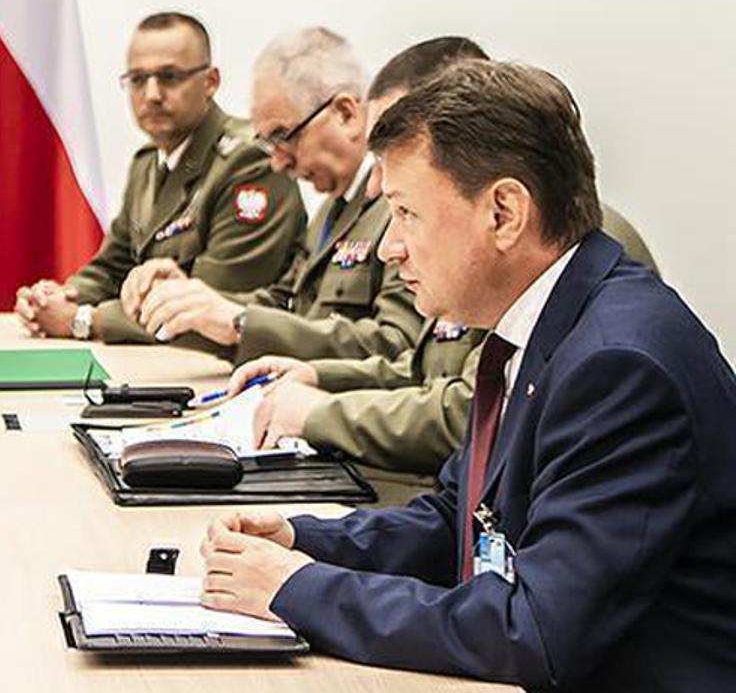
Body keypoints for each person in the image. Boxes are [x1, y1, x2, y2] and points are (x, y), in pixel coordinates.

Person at [199, 60, 736, 690]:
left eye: (406, 214)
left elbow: (534, 631)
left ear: (504, 213)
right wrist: (302, 540)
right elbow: (459, 518)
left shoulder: (617, 366)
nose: (389, 247)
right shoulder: (547, 324)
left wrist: (298, 589)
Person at [229, 37, 657, 503]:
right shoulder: (467, 248)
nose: (374, 187)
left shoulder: (558, 255)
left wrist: (321, 414)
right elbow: (424, 374)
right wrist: (323, 377)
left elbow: (472, 412)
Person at [112, 27, 421, 363]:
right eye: (266, 143)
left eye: (282, 136)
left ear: (345, 113)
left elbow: (399, 344)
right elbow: (285, 304)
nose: (277, 162)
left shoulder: (400, 210)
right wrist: (191, 302)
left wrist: (239, 322)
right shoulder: (332, 211)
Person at [14, 12, 304, 342]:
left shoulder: (249, 162)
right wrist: (60, 298)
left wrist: (86, 320)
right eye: (138, 79)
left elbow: (213, 305)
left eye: (170, 77)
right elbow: (112, 267)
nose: (151, 94)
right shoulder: (147, 164)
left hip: (229, 363)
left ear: (210, 81)